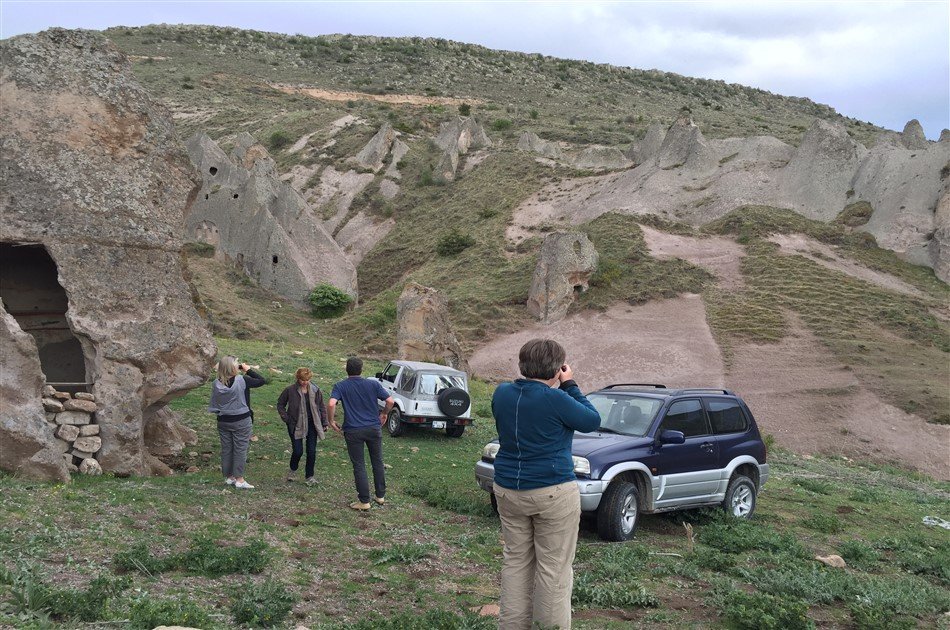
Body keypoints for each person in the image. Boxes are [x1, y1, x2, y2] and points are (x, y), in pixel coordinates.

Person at [491, 339, 601, 630]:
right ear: (557, 369)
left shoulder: (502, 393)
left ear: (522, 364)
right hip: (551, 490)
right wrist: (570, 383)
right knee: (553, 570)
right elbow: (592, 419)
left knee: (516, 563)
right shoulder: (557, 399)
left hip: (508, 488)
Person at [327, 357, 394, 511]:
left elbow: (331, 403)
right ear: (361, 369)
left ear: (346, 370)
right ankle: (380, 496)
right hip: (373, 428)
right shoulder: (373, 384)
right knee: (377, 461)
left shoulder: (340, 386)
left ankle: (364, 501)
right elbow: (390, 401)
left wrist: (331, 421)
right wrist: (384, 414)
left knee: (359, 465)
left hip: (353, 430)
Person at [208, 355, 265, 489]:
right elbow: (261, 380)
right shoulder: (242, 380)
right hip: (241, 420)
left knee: (227, 449)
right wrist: (248, 370)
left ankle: (229, 477)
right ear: (233, 367)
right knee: (240, 449)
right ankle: (239, 479)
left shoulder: (216, 383)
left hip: (223, 421)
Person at [277, 367, 328, 485]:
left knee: (311, 451)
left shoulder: (315, 390)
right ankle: (293, 470)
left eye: (307, 380)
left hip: (312, 423)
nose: (305, 382)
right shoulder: (289, 390)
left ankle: (310, 476)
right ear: (297, 378)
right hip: (295, 424)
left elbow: (321, 407)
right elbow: (280, 404)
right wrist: (286, 418)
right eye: (302, 380)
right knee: (298, 451)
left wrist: (324, 422)